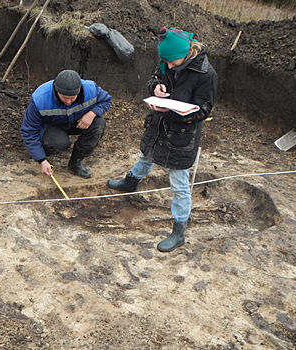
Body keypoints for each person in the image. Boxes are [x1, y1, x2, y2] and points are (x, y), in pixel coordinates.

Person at [107, 27, 217, 252]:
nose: (167, 66)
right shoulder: (166, 61)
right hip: (158, 124)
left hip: (182, 135)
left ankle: (179, 231)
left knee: (179, 183)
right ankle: (130, 182)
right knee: (146, 154)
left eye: (171, 62)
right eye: (164, 61)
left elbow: (204, 110)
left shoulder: (206, 74)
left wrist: (175, 112)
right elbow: (154, 78)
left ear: (186, 54)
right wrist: (155, 88)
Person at [21, 69, 112, 178]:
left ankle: (75, 163)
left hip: (76, 121)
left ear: (79, 91)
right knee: (59, 143)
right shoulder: (41, 98)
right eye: (64, 97)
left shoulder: (90, 89)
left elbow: (106, 100)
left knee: (98, 124)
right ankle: (44, 153)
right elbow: (29, 130)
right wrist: (41, 159)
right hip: (52, 126)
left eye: (72, 98)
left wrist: (92, 113)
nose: (68, 102)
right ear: (56, 90)